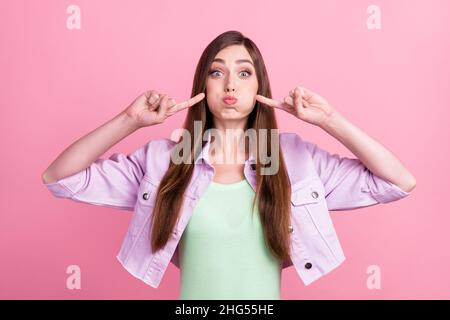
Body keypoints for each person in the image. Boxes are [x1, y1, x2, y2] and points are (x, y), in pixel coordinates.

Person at [42, 30, 416, 300]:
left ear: (259, 88)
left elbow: (397, 181)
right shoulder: (169, 160)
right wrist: (130, 119)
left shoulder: (289, 158)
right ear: (203, 85)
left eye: (244, 72)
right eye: (217, 72)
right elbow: (60, 177)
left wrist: (329, 119)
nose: (230, 84)